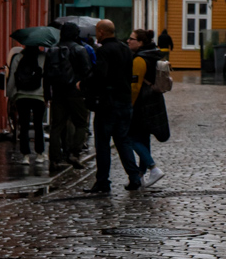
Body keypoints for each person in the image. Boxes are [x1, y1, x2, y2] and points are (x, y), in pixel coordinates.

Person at [81, 19, 141, 194]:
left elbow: (100, 75)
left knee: (103, 144)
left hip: (108, 104)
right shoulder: (125, 49)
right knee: (123, 141)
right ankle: (135, 177)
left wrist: (84, 85)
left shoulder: (104, 51)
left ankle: (103, 182)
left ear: (101, 32)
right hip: (124, 101)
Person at [44, 23, 92, 172]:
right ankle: (73, 152)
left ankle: (54, 159)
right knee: (81, 123)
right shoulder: (79, 49)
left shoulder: (52, 50)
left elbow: (46, 75)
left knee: (56, 126)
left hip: (58, 93)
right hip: (76, 92)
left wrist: (47, 94)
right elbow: (87, 72)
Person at [127, 29, 164, 187]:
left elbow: (134, 87)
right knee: (143, 138)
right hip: (151, 101)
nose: (128, 41)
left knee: (129, 138)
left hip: (141, 103)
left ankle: (153, 168)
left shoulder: (139, 60)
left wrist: (129, 106)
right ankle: (141, 176)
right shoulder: (151, 55)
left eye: (131, 39)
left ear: (140, 42)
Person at [7, 44, 47, 165]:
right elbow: (46, 77)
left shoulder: (18, 57)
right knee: (38, 125)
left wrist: (11, 95)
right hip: (39, 96)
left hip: (22, 96)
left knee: (23, 125)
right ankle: (40, 154)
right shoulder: (44, 57)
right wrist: (47, 96)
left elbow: (12, 77)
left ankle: (25, 156)